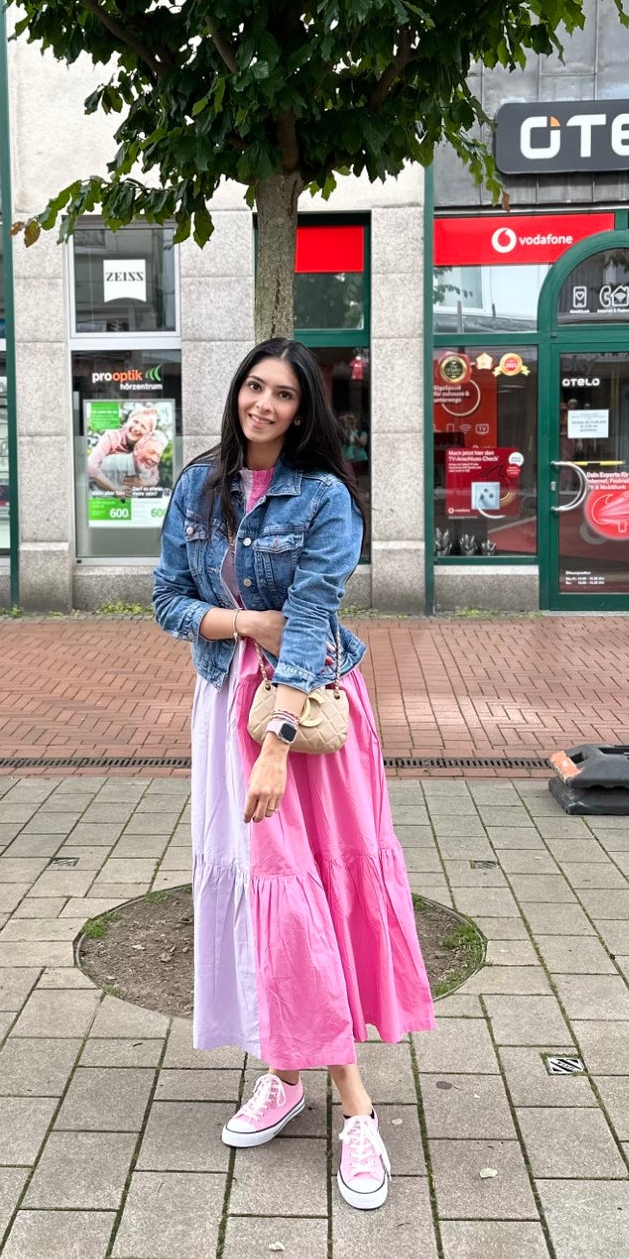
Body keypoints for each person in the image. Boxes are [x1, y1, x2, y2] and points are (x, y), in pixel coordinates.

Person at [153, 337, 434, 1211]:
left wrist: (276, 736)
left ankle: (357, 1113)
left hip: (306, 719)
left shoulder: (324, 498)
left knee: (303, 891)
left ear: (305, 411)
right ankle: (283, 1070)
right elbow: (166, 598)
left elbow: (310, 615)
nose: (262, 404)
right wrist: (241, 623)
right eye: (253, 386)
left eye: (282, 394)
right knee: (262, 889)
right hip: (223, 704)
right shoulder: (198, 486)